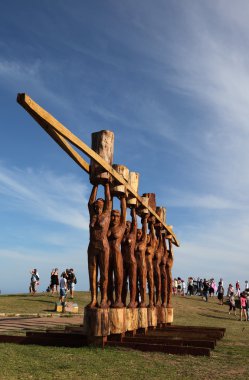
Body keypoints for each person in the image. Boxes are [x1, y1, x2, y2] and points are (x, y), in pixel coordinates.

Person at [87, 183, 112, 309]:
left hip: (103, 246)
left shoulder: (107, 214)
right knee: (92, 274)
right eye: (96, 206)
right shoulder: (92, 214)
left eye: (99, 205)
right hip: (92, 246)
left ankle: (104, 298)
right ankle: (93, 299)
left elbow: (108, 199)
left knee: (103, 274)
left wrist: (106, 185)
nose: (97, 207)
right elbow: (90, 201)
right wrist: (95, 185)